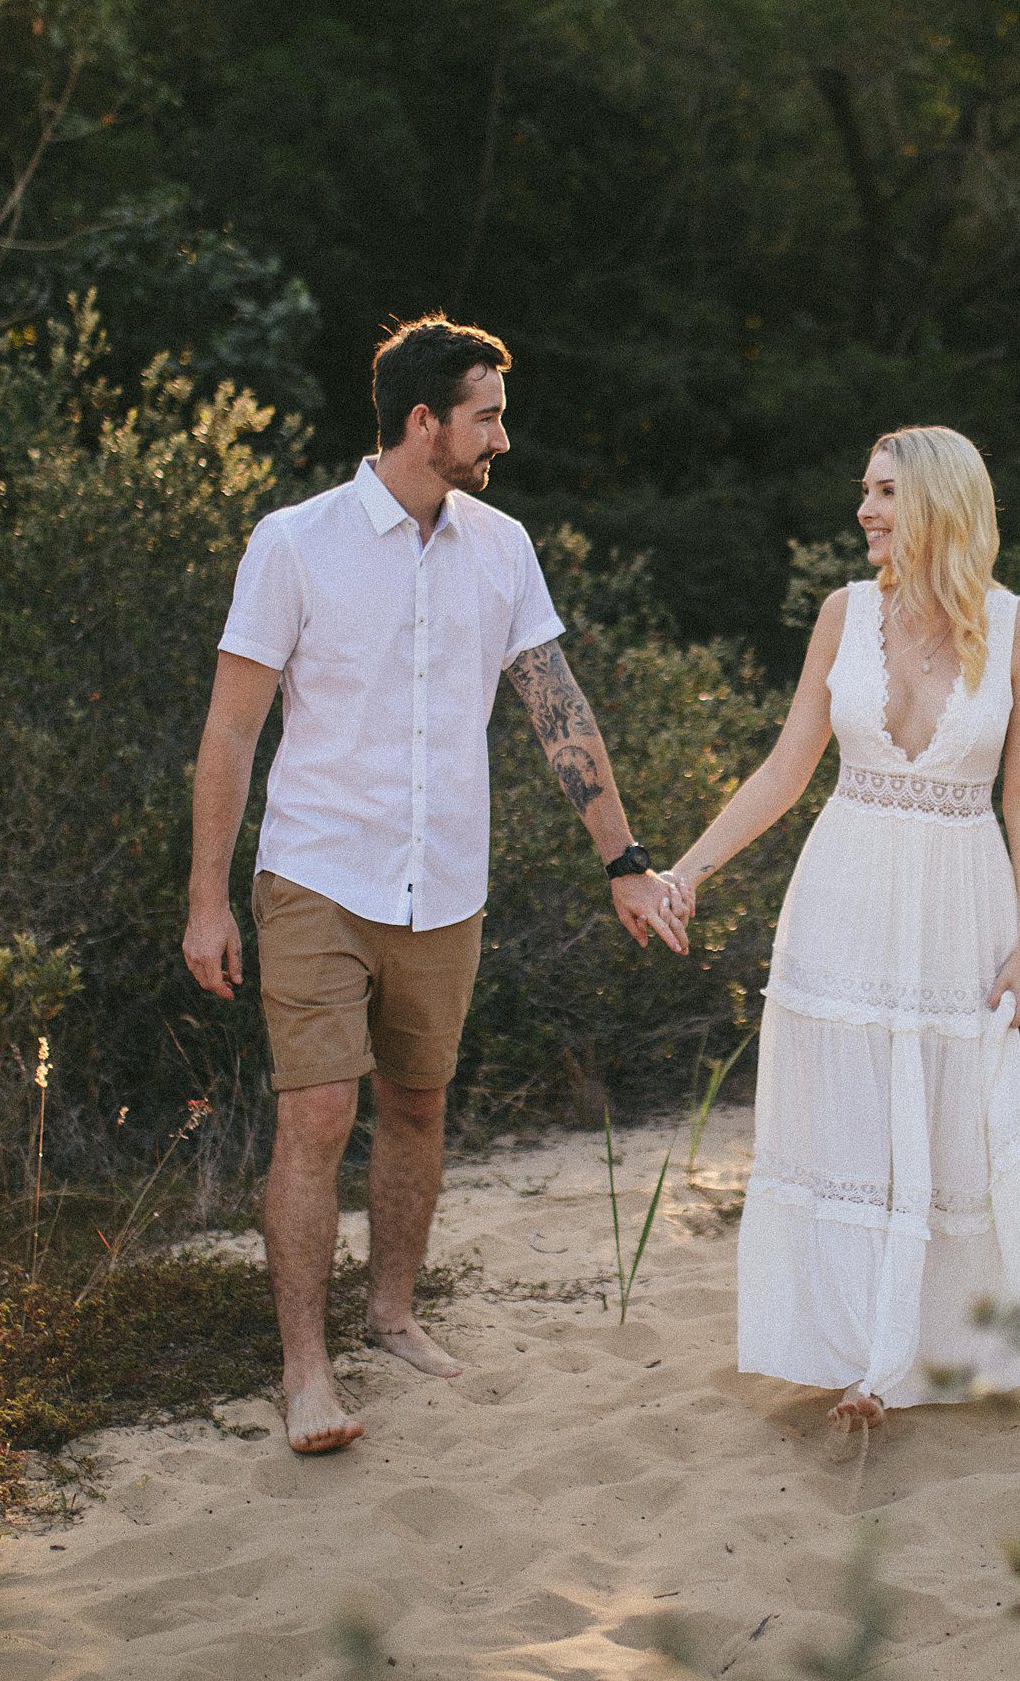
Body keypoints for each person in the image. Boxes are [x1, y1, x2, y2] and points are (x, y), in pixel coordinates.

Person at [183, 315, 693, 1456]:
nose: (502, 438)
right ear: (424, 422)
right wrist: (206, 900)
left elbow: (557, 707)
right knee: (319, 1112)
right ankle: (306, 1370)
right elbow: (230, 731)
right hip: (316, 869)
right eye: (487, 417)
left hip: (445, 881)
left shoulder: (502, 547)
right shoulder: (294, 543)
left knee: (418, 1103)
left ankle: (392, 1312)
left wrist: (624, 860)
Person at [668, 426, 1020, 1430]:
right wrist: (687, 871)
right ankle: (860, 1357)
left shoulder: (1019, 628)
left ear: (940, 500)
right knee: (847, 1121)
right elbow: (786, 767)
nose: (864, 509)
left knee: (951, 1123)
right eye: (865, 490)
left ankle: (925, 1346)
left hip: (959, 904)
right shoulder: (844, 612)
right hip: (844, 895)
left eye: (886, 492)